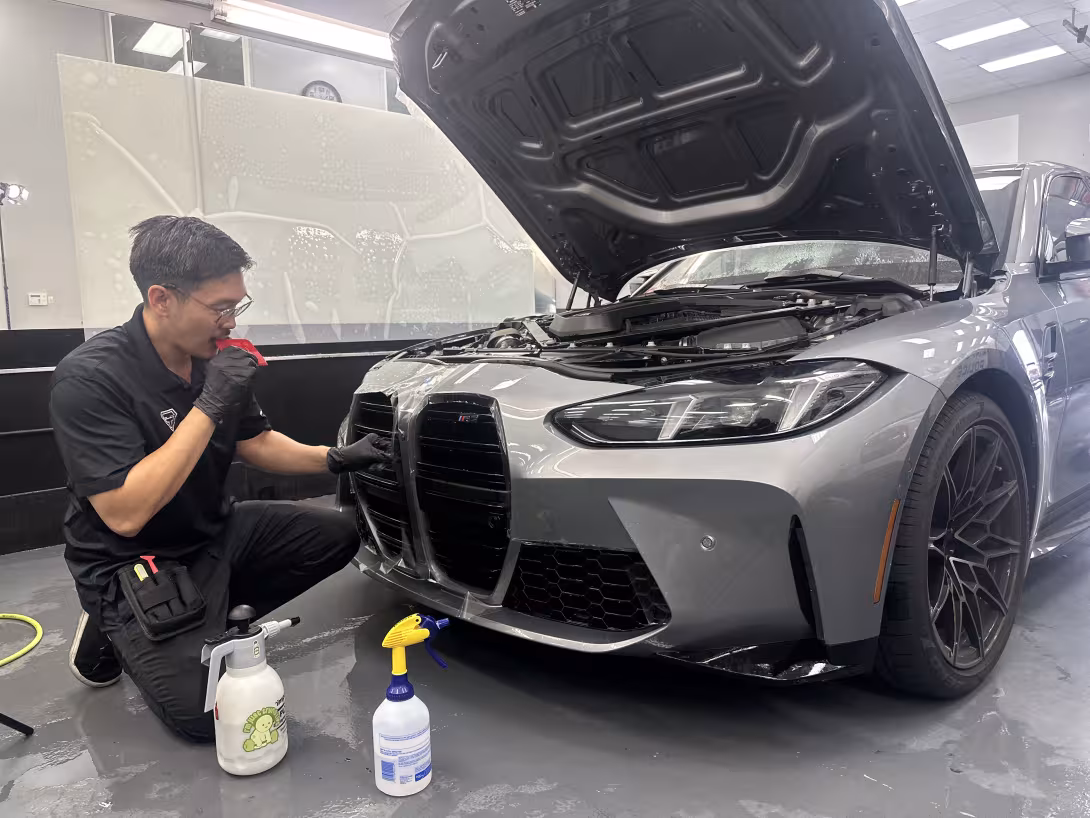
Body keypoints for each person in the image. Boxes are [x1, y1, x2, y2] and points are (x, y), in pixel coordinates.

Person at [49, 215, 388, 742]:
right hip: (132, 557)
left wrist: (336, 458)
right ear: (162, 299)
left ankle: (195, 617)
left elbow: (254, 441)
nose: (230, 322)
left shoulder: (212, 359)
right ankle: (115, 622)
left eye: (237, 306)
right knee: (207, 713)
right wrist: (209, 404)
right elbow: (125, 512)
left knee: (339, 534)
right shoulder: (91, 377)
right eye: (219, 308)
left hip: (210, 532)